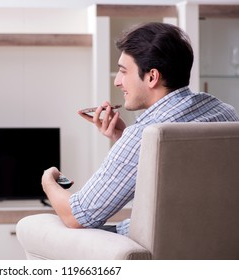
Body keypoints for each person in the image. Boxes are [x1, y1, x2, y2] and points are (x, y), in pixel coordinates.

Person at [41, 22, 239, 235]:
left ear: (152, 77)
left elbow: (78, 216)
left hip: (151, 249)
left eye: (123, 71)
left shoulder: (144, 134)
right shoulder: (224, 112)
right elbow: (183, 177)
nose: (117, 81)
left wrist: (48, 181)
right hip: (216, 242)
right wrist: (121, 136)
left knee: (51, 229)